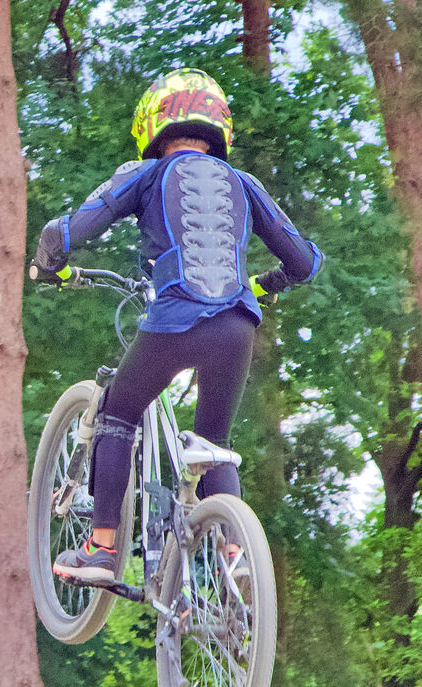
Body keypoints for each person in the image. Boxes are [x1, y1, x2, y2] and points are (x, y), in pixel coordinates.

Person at [32, 67, 323, 583]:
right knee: (213, 441)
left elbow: (77, 228)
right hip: (237, 325)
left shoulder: (145, 174)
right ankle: (239, 561)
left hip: (174, 319)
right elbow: (303, 263)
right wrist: (261, 284)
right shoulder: (244, 183)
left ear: (154, 123)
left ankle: (101, 550)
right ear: (219, 128)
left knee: (118, 412)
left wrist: (48, 260)